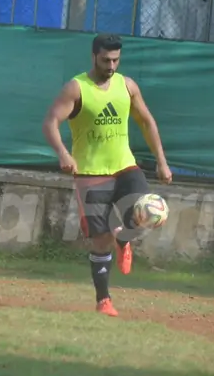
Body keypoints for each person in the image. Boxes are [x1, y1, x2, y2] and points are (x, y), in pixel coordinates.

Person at [42, 33, 172, 317]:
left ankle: (124, 240)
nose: (111, 65)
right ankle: (104, 300)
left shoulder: (127, 86)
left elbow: (147, 121)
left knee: (144, 210)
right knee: (100, 240)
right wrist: (63, 153)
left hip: (125, 166)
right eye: (105, 60)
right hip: (90, 173)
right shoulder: (77, 88)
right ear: (93, 57)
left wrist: (162, 162)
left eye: (115, 60)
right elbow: (51, 121)